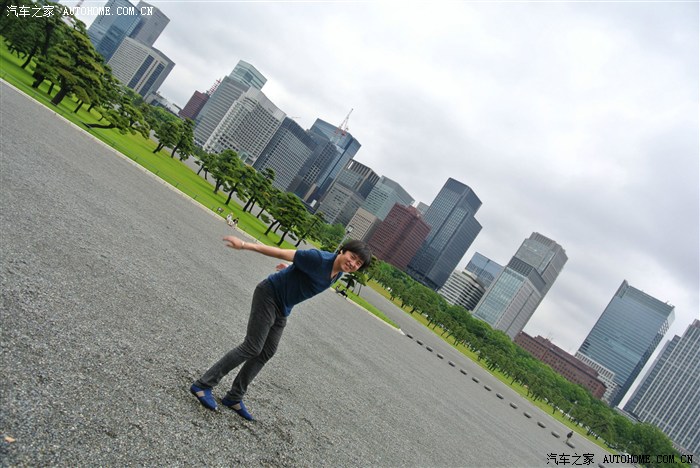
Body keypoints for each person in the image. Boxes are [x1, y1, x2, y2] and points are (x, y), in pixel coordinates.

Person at [190, 236, 372, 421]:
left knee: (267, 351)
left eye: (358, 263)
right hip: (269, 295)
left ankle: (234, 397)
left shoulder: (338, 273)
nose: (353, 263)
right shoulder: (319, 259)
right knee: (252, 346)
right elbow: (282, 252)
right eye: (352, 257)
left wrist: (290, 269)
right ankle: (203, 385)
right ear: (342, 251)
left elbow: (304, 272)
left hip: (283, 307)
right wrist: (244, 245)